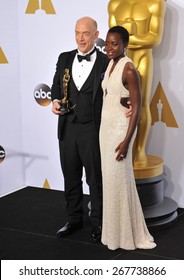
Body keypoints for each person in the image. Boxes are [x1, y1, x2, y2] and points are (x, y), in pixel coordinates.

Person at [51, 17, 133, 243]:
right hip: (67, 128)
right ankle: (73, 219)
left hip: (93, 129)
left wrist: (130, 103)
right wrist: (56, 100)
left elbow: (121, 85)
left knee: (95, 180)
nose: (80, 37)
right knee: (71, 177)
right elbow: (56, 85)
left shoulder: (107, 62)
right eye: (77, 32)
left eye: (86, 33)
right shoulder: (65, 58)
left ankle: (98, 222)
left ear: (96, 35)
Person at [99, 25, 156, 250]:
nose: (109, 48)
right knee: (113, 184)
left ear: (125, 45)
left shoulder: (129, 69)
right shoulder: (111, 63)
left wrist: (125, 141)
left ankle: (125, 236)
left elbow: (138, 107)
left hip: (121, 131)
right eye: (107, 43)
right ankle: (114, 233)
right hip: (106, 129)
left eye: (115, 44)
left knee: (118, 181)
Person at [108, 0, 166, 167]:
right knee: (117, 102)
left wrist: (124, 42)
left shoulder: (155, 3)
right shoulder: (114, 4)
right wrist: (125, 42)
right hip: (120, 59)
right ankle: (122, 144)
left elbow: (154, 38)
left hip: (142, 58)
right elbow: (112, 38)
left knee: (142, 104)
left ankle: (139, 149)